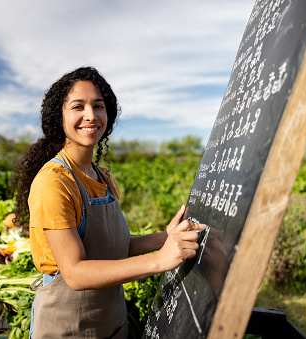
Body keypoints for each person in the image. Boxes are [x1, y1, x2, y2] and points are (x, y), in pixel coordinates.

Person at [12, 66, 204, 338]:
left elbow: (116, 247)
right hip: (66, 329)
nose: (90, 115)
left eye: (98, 106)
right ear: (60, 117)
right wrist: (159, 260)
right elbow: (76, 273)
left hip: (111, 324)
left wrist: (165, 237)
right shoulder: (54, 182)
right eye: (78, 106)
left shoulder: (104, 177)